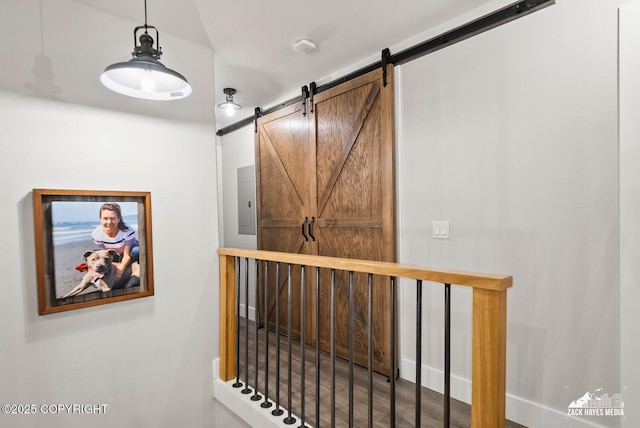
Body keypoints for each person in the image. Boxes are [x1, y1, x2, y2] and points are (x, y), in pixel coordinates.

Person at [90, 202, 140, 288]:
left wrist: (120, 271)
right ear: (100, 219)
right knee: (93, 254)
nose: (109, 222)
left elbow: (126, 255)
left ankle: (141, 272)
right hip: (114, 252)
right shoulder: (96, 234)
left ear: (118, 219)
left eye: (112, 218)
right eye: (105, 218)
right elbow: (105, 253)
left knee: (137, 251)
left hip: (128, 251)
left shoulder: (128, 231)